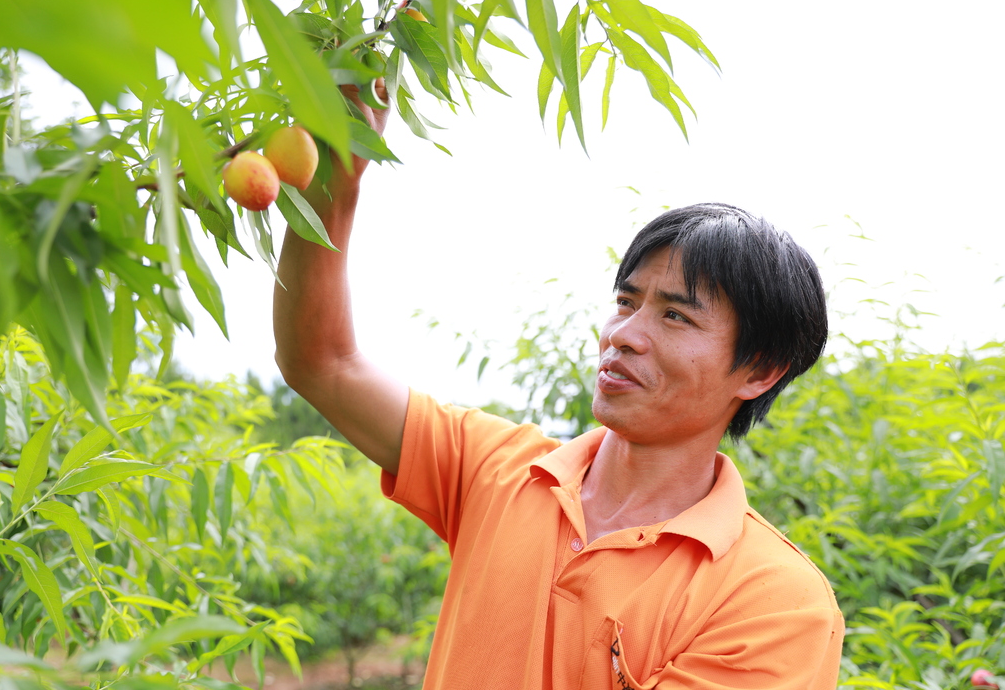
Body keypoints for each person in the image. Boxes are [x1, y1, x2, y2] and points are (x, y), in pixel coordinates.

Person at [273, 85, 845, 690]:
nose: (624, 334)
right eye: (626, 302)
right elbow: (324, 362)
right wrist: (333, 181)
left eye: (675, 315)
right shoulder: (498, 468)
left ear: (760, 370)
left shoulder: (775, 603)